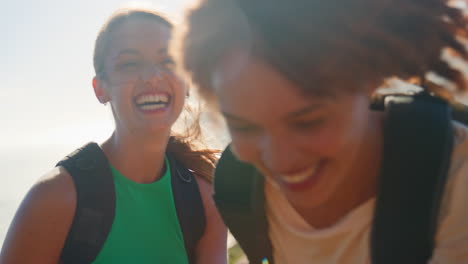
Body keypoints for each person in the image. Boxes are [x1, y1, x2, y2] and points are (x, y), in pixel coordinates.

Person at [175, 0, 468, 263]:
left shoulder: (456, 186)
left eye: (308, 121)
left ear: (370, 77)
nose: (279, 162)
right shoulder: (241, 188)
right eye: (243, 126)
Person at [0, 8, 227, 264]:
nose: (153, 77)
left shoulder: (204, 200)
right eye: (130, 64)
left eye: (169, 62)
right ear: (100, 89)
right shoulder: (54, 199)